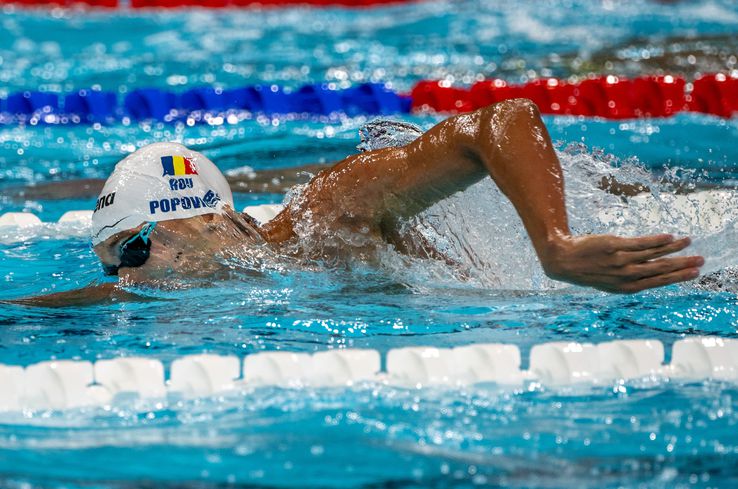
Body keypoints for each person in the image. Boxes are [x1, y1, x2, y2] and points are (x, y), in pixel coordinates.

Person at [12, 99, 704, 306]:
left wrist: (555, 246)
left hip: (666, 273)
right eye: (115, 264)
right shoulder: (263, 286)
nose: (126, 277)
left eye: (132, 248)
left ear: (207, 216)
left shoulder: (323, 216)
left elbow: (502, 121)